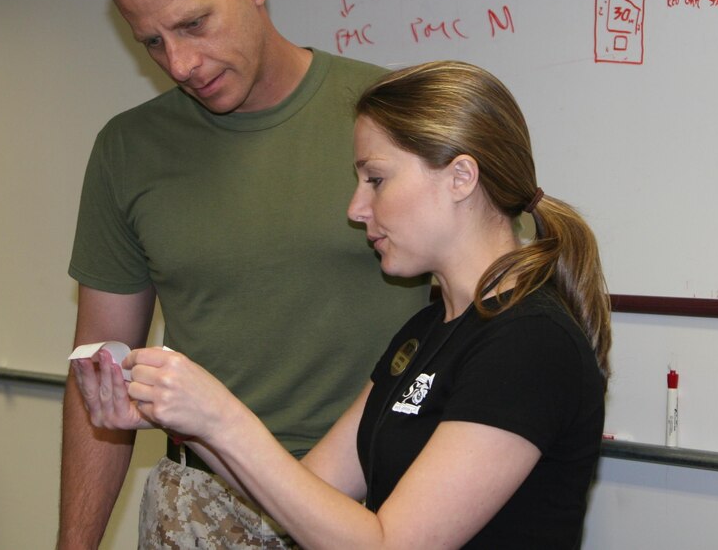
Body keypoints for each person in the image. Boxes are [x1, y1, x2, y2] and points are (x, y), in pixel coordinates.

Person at [73, 61, 614, 549]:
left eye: (375, 179)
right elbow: (304, 495)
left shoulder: (530, 343)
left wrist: (220, 414)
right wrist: (185, 419)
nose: (356, 209)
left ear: (460, 177)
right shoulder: (426, 330)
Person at [58, 0, 427, 549]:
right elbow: (100, 377)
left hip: (376, 502)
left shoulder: (391, 118)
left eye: (194, 23)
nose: (179, 64)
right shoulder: (128, 150)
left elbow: (489, 310)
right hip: (203, 504)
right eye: (152, 42)